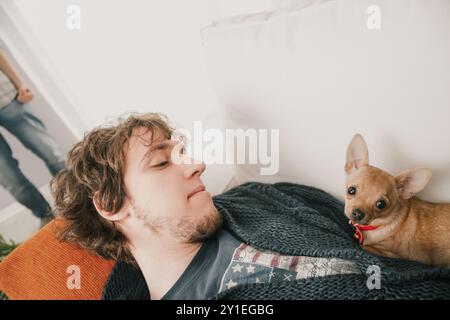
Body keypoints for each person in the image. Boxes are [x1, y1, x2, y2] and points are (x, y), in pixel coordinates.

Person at [51, 112, 450, 300]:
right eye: (161, 162)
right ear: (110, 204)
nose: (198, 164)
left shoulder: (258, 197)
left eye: (184, 152)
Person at [0, 45, 65, 225]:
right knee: (9, 179)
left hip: (7, 98)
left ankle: (81, 198)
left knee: (51, 153)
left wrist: (20, 84)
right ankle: (46, 216)